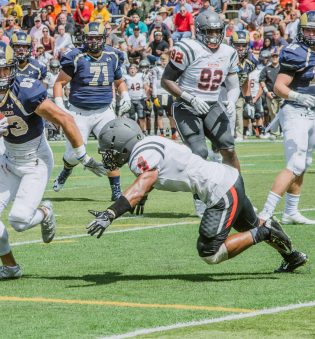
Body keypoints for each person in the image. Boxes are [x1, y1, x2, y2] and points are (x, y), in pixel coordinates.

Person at [87, 117, 308, 273]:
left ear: (123, 145)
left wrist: (111, 213)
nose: (109, 156)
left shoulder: (140, 156)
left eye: (110, 151)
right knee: (249, 227)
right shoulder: (152, 141)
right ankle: (291, 255)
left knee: (210, 252)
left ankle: (266, 230)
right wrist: (141, 195)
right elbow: (159, 172)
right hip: (228, 178)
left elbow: (145, 181)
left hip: (220, 191)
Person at [0, 41, 106, 280]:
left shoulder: (27, 90)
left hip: (36, 160)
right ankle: (10, 267)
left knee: (20, 221)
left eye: (5, 69)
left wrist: (82, 156)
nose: (1, 75)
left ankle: (45, 211)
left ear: (13, 67)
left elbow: (65, 119)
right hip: (9, 158)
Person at [161, 11, 241, 217]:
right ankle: (200, 200)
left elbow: (233, 85)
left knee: (229, 149)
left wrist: (231, 100)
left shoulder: (229, 52)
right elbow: (166, 80)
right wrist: (190, 97)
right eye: (209, 32)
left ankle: (239, 196)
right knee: (199, 152)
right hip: (187, 106)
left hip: (212, 105)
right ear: (199, 31)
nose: (214, 36)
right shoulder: (188, 48)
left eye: (217, 31)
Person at [53, 22, 132, 201]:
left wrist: (125, 95)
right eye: (90, 38)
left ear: (104, 38)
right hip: (79, 112)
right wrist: (59, 104)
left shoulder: (112, 55)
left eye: (97, 38)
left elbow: (119, 81)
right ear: (85, 38)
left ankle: (116, 192)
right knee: (73, 155)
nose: (93, 41)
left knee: (113, 150)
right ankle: (66, 170)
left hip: (104, 111)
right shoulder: (75, 56)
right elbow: (59, 83)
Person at [259, 11, 315, 225]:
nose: (311, 34)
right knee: (295, 163)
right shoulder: (296, 52)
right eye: (308, 30)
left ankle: (291, 212)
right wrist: (298, 95)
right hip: (295, 111)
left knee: (305, 162)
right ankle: (265, 214)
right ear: (301, 31)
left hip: (312, 113)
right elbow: (279, 86)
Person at [0, 31, 48, 185]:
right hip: (1, 109)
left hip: (27, 113)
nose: (21, 50)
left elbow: (41, 91)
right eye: (18, 46)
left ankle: (30, 183)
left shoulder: (38, 67)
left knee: (37, 152)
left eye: (25, 46)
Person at [231, 30, 259, 141]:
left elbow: (245, 78)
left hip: (237, 91)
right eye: (238, 45)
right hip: (222, 91)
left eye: (244, 45)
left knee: (238, 111)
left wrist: (249, 101)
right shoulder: (226, 58)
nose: (241, 48)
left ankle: (238, 135)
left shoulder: (251, 62)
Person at [145, 52, 177, 139]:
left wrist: (175, 94)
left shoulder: (172, 69)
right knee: (160, 113)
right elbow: (154, 82)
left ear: (168, 60)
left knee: (171, 115)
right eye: (161, 60)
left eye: (165, 60)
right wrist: (154, 94)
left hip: (169, 93)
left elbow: (175, 82)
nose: (163, 62)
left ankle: (173, 133)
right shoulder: (156, 69)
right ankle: (162, 133)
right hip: (159, 93)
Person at [124, 64, 147, 131]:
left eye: (134, 68)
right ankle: (132, 131)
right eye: (131, 68)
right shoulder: (125, 77)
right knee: (132, 117)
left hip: (140, 99)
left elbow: (146, 86)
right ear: (128, 70)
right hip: (130, 99)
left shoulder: (141, 75)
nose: (132, 70)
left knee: (141, 116)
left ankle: (143, 131)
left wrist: (147, 96)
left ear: (137, 70)